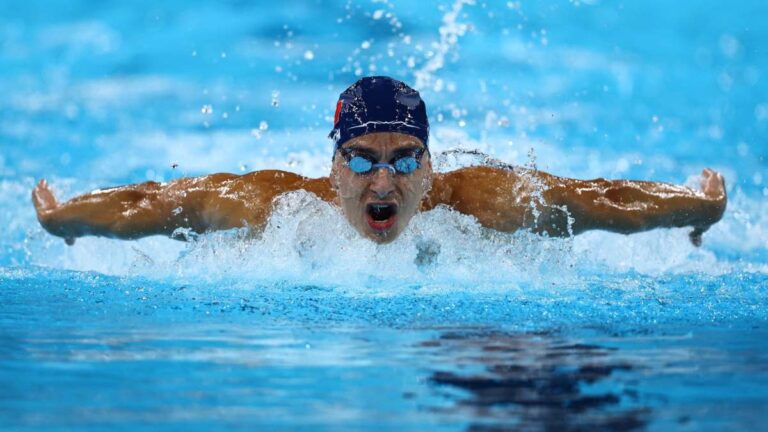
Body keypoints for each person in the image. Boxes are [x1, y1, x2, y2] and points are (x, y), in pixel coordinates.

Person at [32, 76, 726, 247]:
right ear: (333, 168)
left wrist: (697, 208)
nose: (384, 180)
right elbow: (159, 203)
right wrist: (69, 223)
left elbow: (596, 199)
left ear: (431, 164)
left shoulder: (486, 201)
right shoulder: (276, 206)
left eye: (404, 160)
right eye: (361, 161)